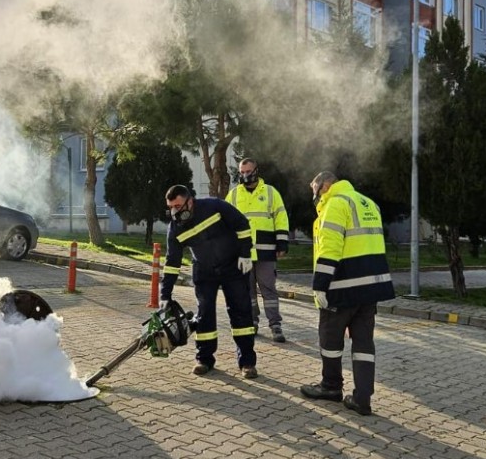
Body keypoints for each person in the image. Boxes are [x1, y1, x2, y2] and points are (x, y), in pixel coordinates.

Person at [299, 171, 395, 416]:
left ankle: (331, 387)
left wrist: (320, 284)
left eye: (316, 188)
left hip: (342, 287)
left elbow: (330, 248)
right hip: (370, 288)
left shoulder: (335, 204)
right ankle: (363, 399)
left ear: (327, 185)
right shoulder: (367, 203)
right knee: (364, 343)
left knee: (330, 341)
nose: (315, 193)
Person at [159, 184, 258, 379]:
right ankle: (204, 359)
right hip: (204, 271)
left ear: (190, 201)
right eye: (171, 207)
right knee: (204, 315)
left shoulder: (214, 206)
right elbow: (172, 263)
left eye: (178, 206)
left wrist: (245, 254)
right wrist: (165, 294)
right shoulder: (175, 228)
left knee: (241, 313)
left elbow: (242, 224)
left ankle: (247, 362)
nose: (174, 212)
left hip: (233, 267)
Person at [225, 158, 290, 343]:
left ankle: (275, 325)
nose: (245, 175)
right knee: (247, 291)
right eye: (242, 172)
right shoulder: (234, 194)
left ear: (256, 171)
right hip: (242, 252)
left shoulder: (270, 192)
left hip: (266, 251)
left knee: (268, 289)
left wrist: (282, 242)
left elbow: (281, 217)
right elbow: (225, 221)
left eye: (248, 171)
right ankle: (251, 322)